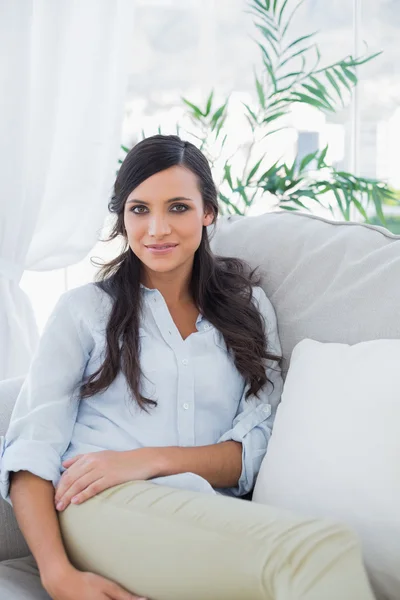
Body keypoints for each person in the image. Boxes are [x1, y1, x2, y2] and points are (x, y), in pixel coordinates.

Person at [0, 135, 284, 599]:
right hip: (99, 509)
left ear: (208, 212)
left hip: (206, 511)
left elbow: (253, 448)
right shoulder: (83, 311)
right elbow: (30, 452)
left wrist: (145, 461)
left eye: (177, 207)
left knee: (307, 551)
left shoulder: (248, 307)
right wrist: (58, 575)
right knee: (308, 553)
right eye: (139, 209)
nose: (156, 229)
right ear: (121, 217)